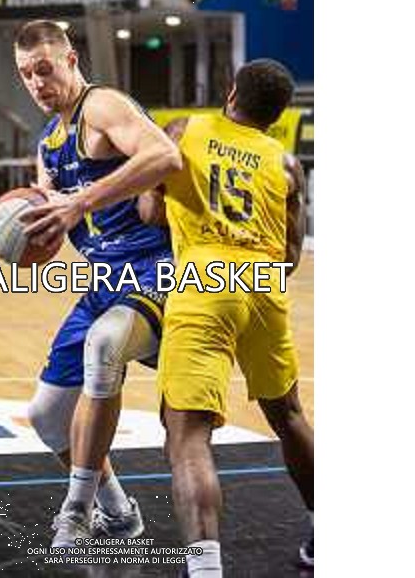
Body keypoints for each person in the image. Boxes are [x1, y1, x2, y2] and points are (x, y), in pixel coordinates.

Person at [25, 59, 314, 575]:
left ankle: (204, 568)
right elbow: (292, 255)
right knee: (289, 417)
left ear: (230, 94)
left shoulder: (186, 131)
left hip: (203, 285)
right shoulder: (287, 163)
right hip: (264, 288)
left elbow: (150, 213)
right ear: (277, 115)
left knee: (187, 437)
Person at [13, 19, 182, 547]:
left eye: (44, 69)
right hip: (104, 283)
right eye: (26, 75)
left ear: (70, 60)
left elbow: (165, 156)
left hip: (155, 270)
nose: (37, 83)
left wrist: (79, 201)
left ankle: (76, 511)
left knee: (103, 346)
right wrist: (18, 236)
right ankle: (118, 511)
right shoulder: (47, 145)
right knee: (46, 418)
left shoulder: (102, 106)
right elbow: (49, 227)